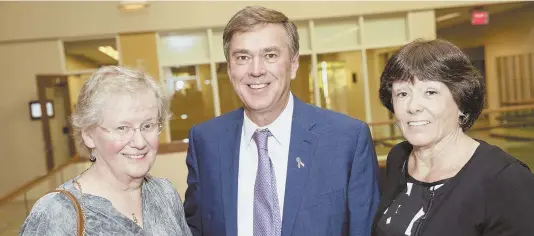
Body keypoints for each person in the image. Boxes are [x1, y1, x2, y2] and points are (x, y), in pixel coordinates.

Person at [183, 5, 379, 236]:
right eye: (243, 57)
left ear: (293, 64)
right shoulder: (206, 141)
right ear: (229, 68)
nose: (256, 70)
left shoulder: (347, 140)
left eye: (270, 55)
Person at [372, 39, 534, 236]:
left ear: (461, 102)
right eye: (403, 94)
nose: (413, 106)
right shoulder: (398, 159)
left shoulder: (504, 179)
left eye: (430, 92)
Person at [20, 66, 192, 236]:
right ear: (89, 135)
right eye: (122, 128)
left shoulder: (164, 193)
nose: (140, 142)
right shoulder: (56, 214)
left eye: (147, 126)